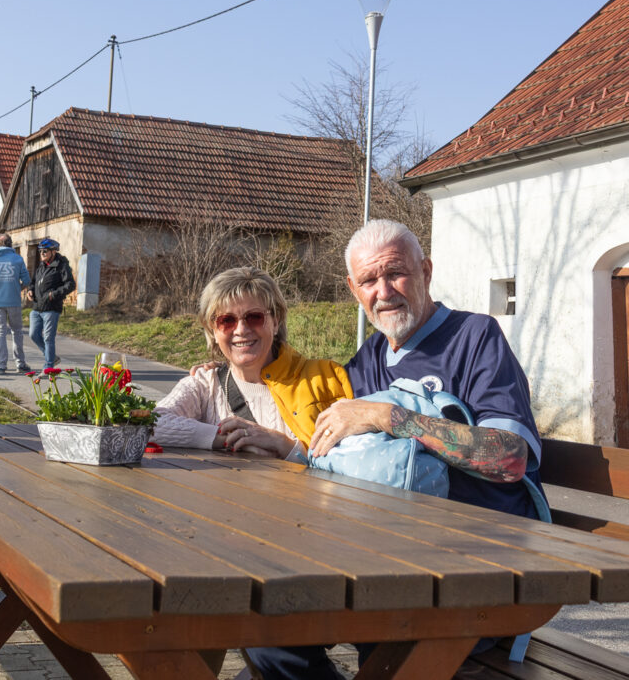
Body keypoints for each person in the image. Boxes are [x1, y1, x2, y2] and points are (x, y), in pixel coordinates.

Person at [246, 219, 547, 680]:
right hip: (379, 564)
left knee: (364, 645)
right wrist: (286, 443)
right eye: (368, 280)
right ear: (353, 289)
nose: (383, 291)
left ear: (426, 270)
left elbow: (510, 457)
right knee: (262, 627)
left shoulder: (474, 338)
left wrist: (389, 417)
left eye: (396, 273)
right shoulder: (367, 359)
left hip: (474, 571)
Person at [153, 266, 352, 458]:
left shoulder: (324, 379)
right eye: (226, 320)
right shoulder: (205, 385)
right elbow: (149, 424)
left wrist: (283, 445)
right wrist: (228, 437)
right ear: (212, 330)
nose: (241, 330)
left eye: (254, 317)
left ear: (276, 321)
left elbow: (351, 462)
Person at [0, 232, 32, 374]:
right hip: (14, 301)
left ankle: (1, 365)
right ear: (10, 243)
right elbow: (27, 281)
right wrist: (17, 289)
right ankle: (20, 363)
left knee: (0, 333)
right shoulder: (17, 259)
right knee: (17, 332)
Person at [27, 237, 75, 370]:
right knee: (33, 334)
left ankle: (48, 367)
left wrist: (53, 294)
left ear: (53, 252)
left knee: (48, 338)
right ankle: (52, 357)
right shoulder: (41, 266)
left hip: (51, 308)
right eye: (40, 251)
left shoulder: (62, 266)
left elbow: (70, 285)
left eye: (45, 251)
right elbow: (33, 282)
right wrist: (30, 290)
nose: (41, 253)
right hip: (37, 307)